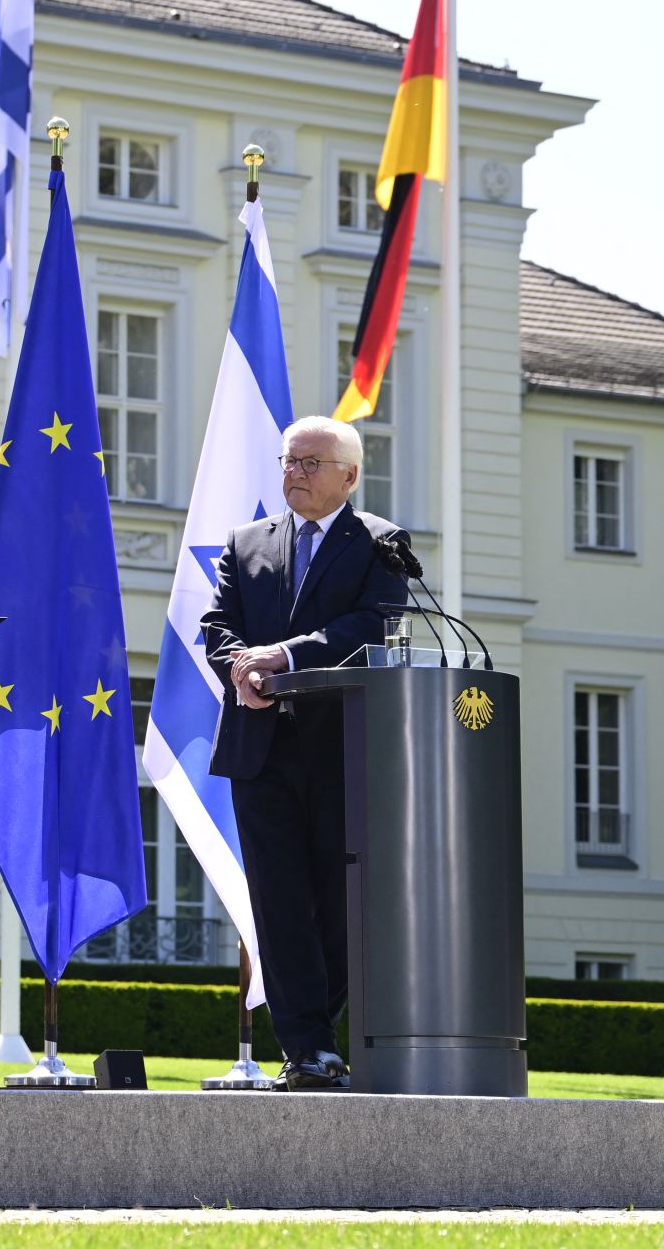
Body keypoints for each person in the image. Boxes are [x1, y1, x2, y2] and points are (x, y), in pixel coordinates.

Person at [200, 414, 409, 1090]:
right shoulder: (246, 542)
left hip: (342, 748)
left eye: (311, 463)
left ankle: (319, 1030)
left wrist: (283, 656)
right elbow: (216, 625)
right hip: (260, 746)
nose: (295, 473)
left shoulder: (381, 545)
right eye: (289, 461)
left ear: (350, 475)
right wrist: (243, 668)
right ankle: (308, 1046)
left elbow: (371, 623)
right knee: (279, 900)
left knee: (338, 902)